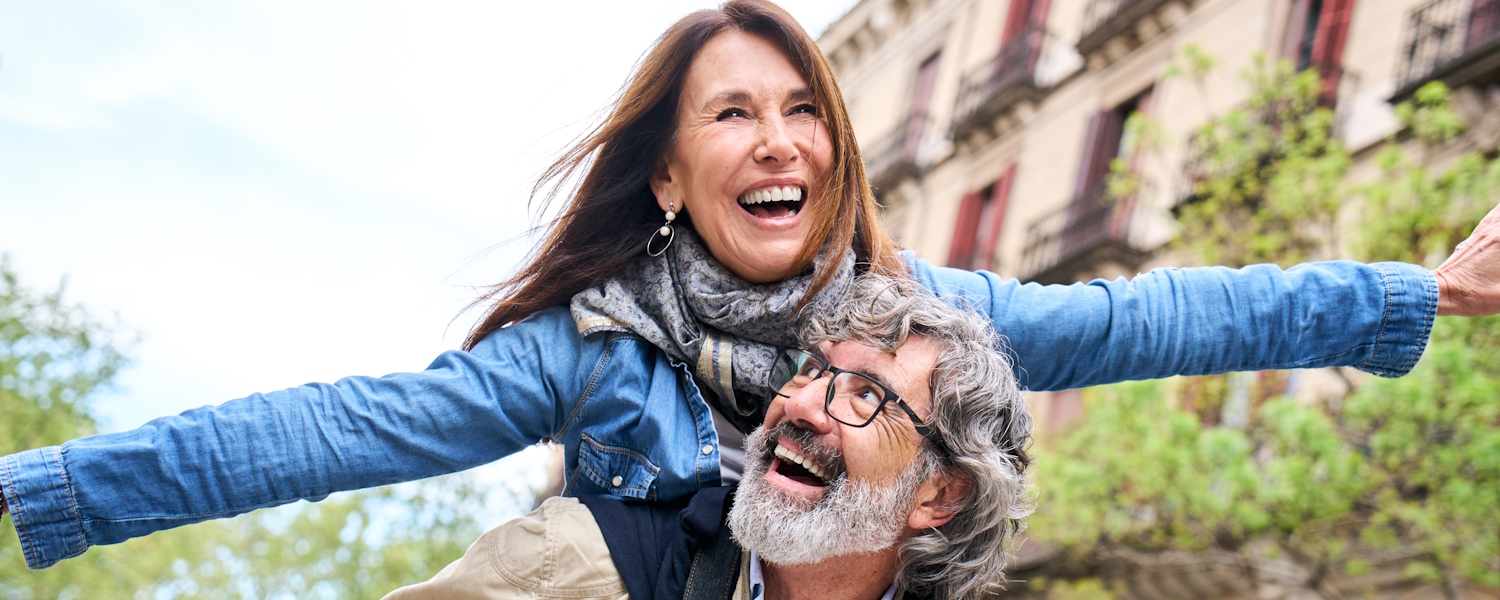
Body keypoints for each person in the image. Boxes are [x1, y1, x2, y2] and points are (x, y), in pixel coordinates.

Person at [2, 0, 1499, 571]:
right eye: (730, 114)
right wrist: (38, 496)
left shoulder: (927, 316)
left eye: (801, 111)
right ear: (670, 178)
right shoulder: (590, 353)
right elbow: (329, 430)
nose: (776, 137)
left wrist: (1414, 296)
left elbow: (1163, 314)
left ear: (836, 156)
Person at [385, 273, 1033, 600]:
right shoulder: (575, 567)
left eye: (868, 394)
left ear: (940, 494)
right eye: (811, 369)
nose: (803, 404)